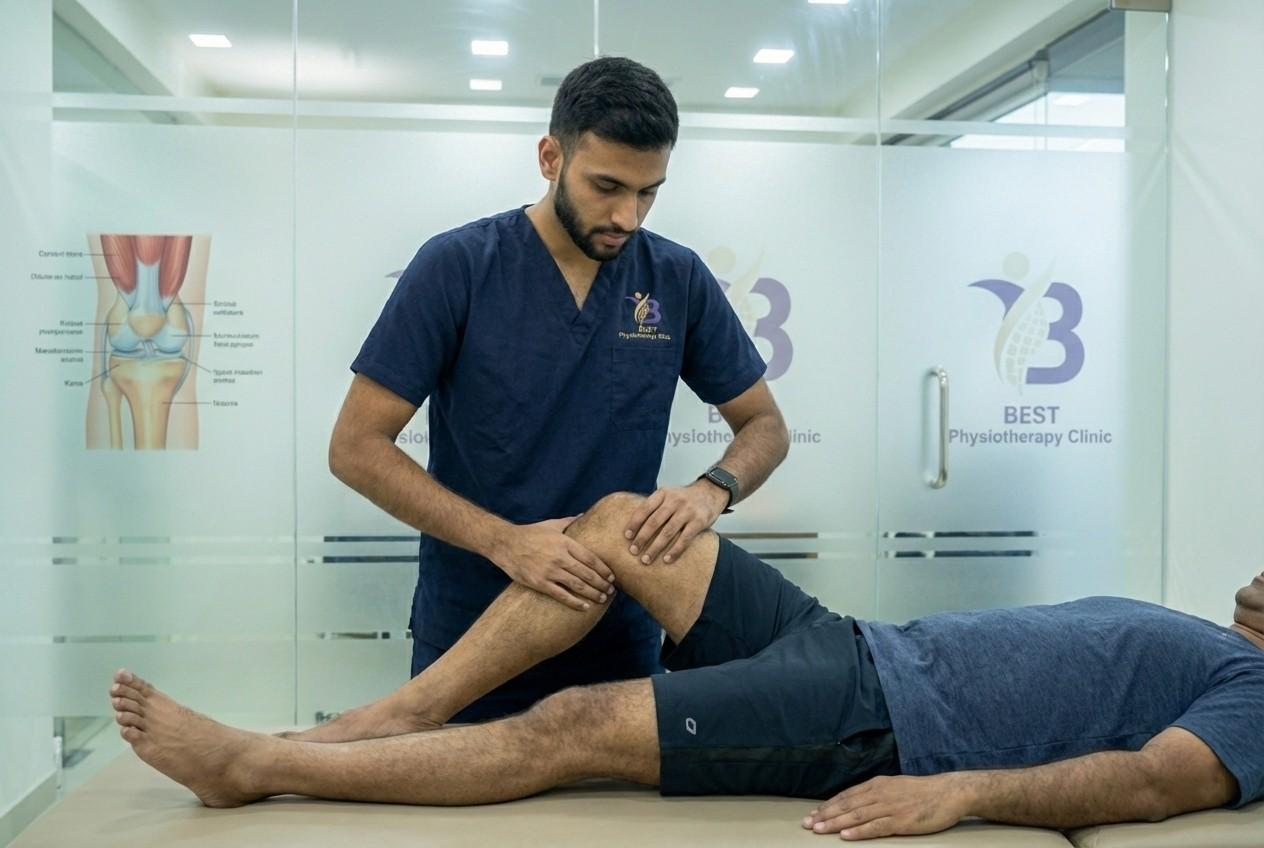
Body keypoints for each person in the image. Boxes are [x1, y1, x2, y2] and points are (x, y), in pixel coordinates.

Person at [110, 492, 1264, 841]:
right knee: (617, 522)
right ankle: (386, 713)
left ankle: (260, 765)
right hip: (854, 638)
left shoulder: (1259, 695)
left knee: (569, 722)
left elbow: (1158, 781)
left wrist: (958, 790)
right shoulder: (1226, 645)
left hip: (876, 715)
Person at [332, 55, 788, 722]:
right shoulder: (457, 267)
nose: (627, 216)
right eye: (606, 186)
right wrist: (504, 541)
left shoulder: (675, 279)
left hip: (616, 641)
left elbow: (765, 426)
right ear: (550, 157)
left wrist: (710, 489)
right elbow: (355, 448)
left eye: (648, 192)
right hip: (470, 635)